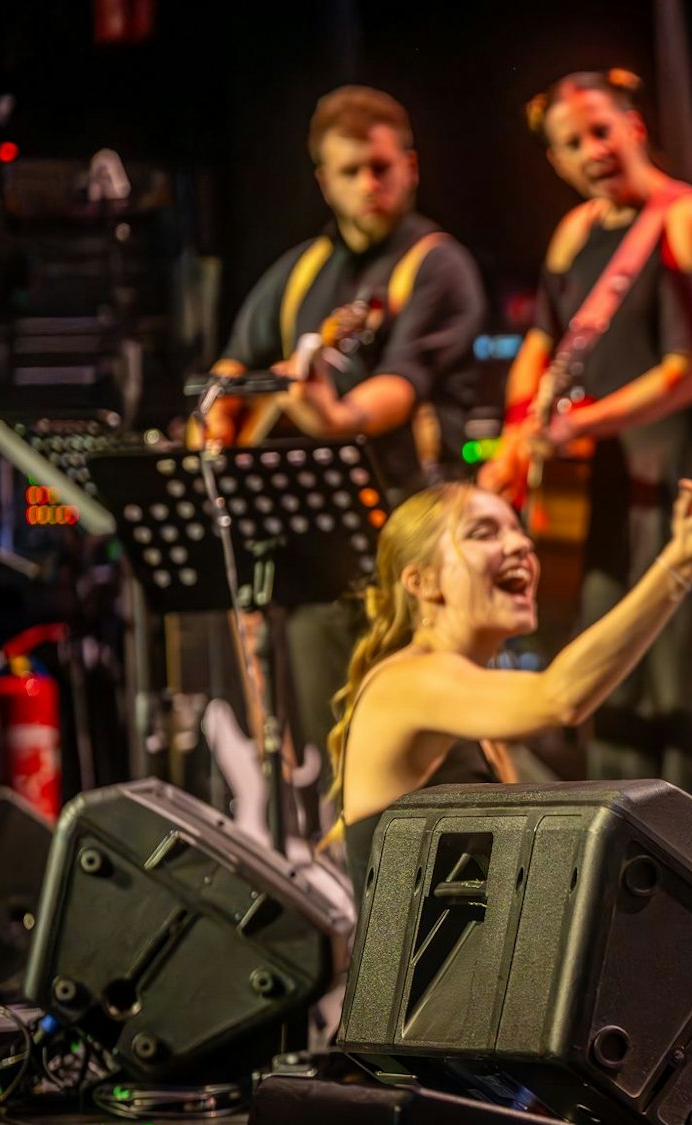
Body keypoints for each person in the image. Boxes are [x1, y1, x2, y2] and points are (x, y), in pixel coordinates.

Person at [203, 85, 488, 827]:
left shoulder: (434, 265)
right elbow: (234, 364)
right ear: (323, 179)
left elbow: (392, 395)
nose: (370, 183)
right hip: (311, 547)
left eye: (382, 166)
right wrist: (214, 422)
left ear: (411, 167)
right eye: (351, 170)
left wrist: (334, 415)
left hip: (408, 544)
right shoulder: (301, 270)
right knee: (336, 752)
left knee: (416, 754)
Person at [477, 69, 692, 816]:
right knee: (613, 657)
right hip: (607, 480)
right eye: (572, 143)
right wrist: (517, 433)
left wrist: (575, 423)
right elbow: (543, 342)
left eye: (601, 130)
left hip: (685, 467)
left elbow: (687, 374)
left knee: (691, 663)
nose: (592, 150)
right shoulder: (574, 231)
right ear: (556, 163)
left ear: (634, 125)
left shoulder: (688, 218)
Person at [324, 478, 692, 892]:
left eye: (517, 529)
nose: (521, 545)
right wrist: (682, 563)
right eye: (483, 533)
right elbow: (560, 698)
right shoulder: (403, 682)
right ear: (422, 582)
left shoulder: (474, 711)